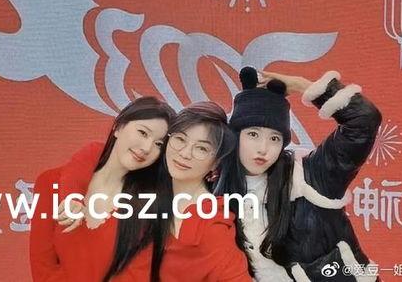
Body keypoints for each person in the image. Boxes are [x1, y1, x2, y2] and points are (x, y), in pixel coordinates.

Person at [216, 67, 382, 281]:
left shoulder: (309, 178)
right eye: (253, 134)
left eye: (274, 138)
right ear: (235, 136)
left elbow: (364, 120)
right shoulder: (216, 192)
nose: (263, 149)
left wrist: (303, 86)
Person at [29, 96, 175, 282]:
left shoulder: (150, 204)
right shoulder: (50, 183)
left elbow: (139, 275)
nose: (147, 148)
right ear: (118, 127)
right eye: (143, 132)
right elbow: (42, 267)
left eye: (159, 144)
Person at [104, 102, 250, 281]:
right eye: (180, 139)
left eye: (202, 148)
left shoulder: (209, 221)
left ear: (215, 163)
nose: (185, 153)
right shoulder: (144, 187)